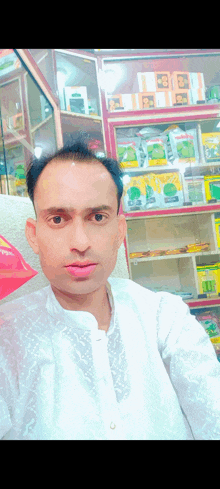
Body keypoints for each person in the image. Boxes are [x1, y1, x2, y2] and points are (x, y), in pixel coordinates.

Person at [0, 140, 220, 440]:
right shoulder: (6, 336)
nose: (80, 242)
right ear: (33, 235)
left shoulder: (164, 320)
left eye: (98, 217)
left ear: (119, 232)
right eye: (58, 219)